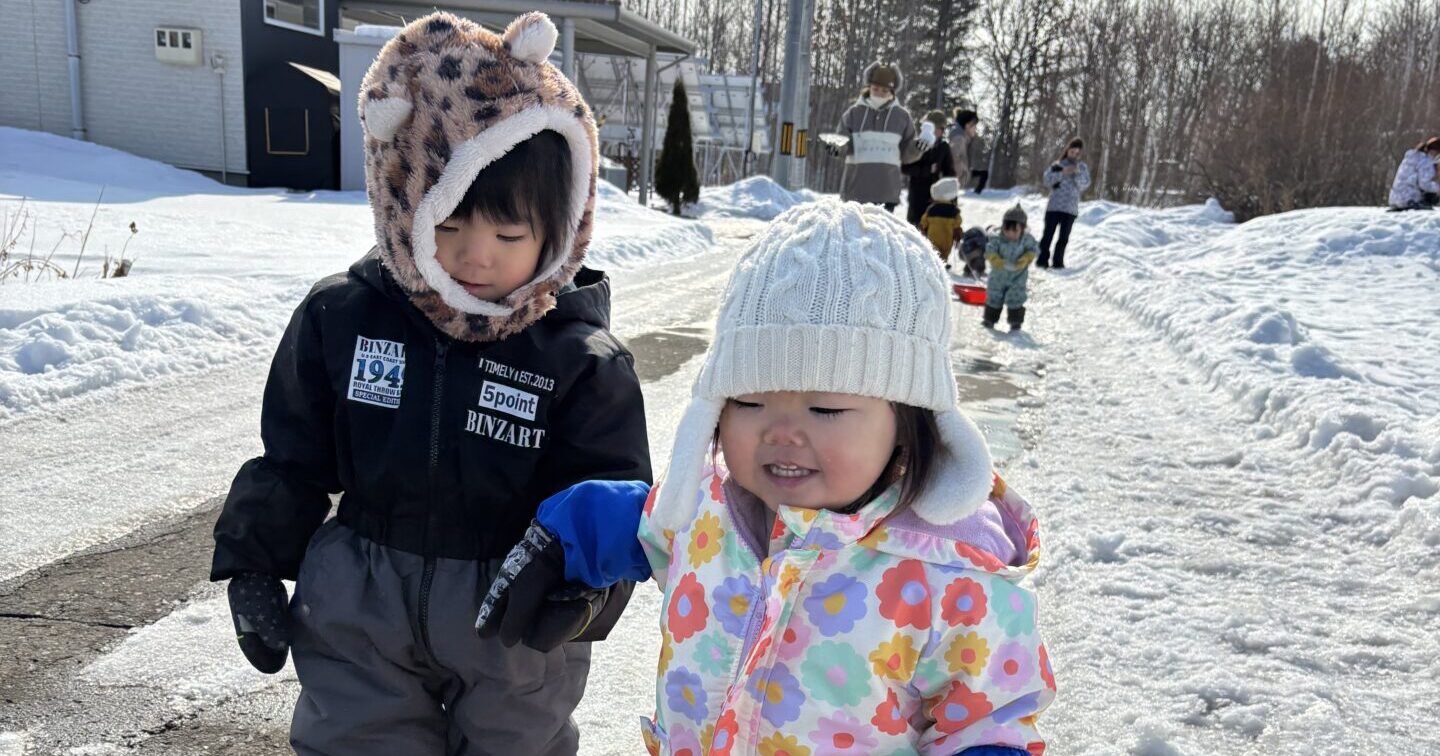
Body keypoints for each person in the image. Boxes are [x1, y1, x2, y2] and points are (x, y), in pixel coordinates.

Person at [209, 12, 651, 755]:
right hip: (363, 600)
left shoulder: (581, 361)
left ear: (561, 226)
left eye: (508, 235)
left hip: (513, 614)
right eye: (446, 226)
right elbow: (293, 455)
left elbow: (610, 503)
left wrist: (582, 591)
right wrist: (254, 558)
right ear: (404, 207)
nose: (476, 256)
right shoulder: (344, 318)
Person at [482, 199, 1055, 755]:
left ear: (908, 420)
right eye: (750, 402)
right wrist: (574, 533)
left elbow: (989, 721)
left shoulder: (950, 574)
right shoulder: (706, 507)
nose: (782, 432)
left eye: (825, 409)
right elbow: (646, 523)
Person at [835, 62, 923, 211]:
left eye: (884, 90)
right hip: (855, 191)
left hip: (887, 192)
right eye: (875, 89)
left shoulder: (902, 116)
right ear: (868, 87)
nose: (879, 94)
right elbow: (842, 142)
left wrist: (917, 148)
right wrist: (836, 148)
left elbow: (906, 154)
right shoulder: (853, 113)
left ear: (892, 91)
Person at [1037, 138, 1090, 269]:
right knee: (1047, 235)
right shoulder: (1057, 164)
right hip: (1054, 207)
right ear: (1067, 150)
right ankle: (1042, 260)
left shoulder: (1082, 167)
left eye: (1077, 153)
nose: (1074, 155)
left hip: (1070, 209)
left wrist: (1077, 173)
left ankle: (1058, 262)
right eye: (1072, 152)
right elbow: (1047, 180)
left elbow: (1085, 185)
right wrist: (1062, 172)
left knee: (1063, 238)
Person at [985, 205, 1039, 331]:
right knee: (994, 296)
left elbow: (1033, 250)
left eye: (1015, 231)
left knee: (1016, 297)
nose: (1010, 234)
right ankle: (990, 320)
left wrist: (1026, 258)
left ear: (1022, 229)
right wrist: (995, 259)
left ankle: (1016, 322)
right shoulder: (997, 238)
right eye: (1007, 230)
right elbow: (990, 249)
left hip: (1018, 276)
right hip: (998, 276)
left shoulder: (1027, 240)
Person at [903, 110, 957, 227]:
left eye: (941, 129)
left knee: (933, 229)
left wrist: (953, 199)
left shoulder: (944, 147)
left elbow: (950, 173)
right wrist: (927, 170)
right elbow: (905, 167)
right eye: (936, 128)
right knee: (914, 228)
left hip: (935, 196)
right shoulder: (918, 144)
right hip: (917, 195)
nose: (939, 131)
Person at [920, 176, 963, 268]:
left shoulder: (931, 209)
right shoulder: (954, 211)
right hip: (947, 236)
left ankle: (934, 263)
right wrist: (957, 232)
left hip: (933, 235)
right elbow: (957, 223)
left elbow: (924, 221)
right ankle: (943, 262)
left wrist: (923, 229)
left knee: (933, 249)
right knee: (945, 251)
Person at [1387, 136, 1440, 211]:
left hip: (1395, 199)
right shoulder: (1426, 162)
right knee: (1432, 197)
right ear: (1435, 152)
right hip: (1410, 199)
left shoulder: (1413, 157)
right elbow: (1424, 184)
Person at [949, 109, 981, 192]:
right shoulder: (959, 139)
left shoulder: (963, 139)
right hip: (951, 186)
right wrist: (961, 175)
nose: (975, 129)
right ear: (967, 125)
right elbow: (954, 159)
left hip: (952, 186)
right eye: (974, 126)